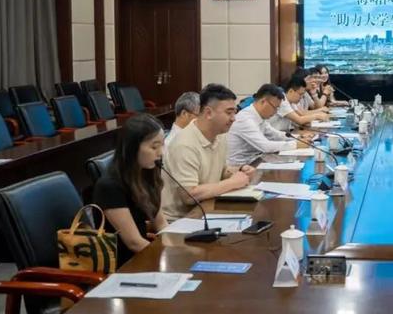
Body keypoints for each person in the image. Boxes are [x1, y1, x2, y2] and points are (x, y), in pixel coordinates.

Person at [161, 84, 254, 221]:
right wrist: (233, 183)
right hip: (182, 219)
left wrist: (238, 170)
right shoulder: (184, 144)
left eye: (234, 112)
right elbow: (189, 195)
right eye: (229, 113)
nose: (233, 118)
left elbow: (221, 171)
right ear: (208, 112)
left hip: (209, 208)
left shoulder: (220, 135)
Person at [94, 114, 168, 267]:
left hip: (145, 256)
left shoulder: (147, 174)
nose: (161, 152)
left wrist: (178, 248)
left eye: (162, 145)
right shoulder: (109, 186)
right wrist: (167, 258)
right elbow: (134, 242)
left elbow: (161, 223)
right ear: (132, 148)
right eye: (154, 147)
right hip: (123, 266)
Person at [227, 84, 307, 166]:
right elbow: (265, 146)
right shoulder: (246, 119)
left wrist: (299, 138)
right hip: (239, 167)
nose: (275, 112)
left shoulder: (259, 117)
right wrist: (296, 144)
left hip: (254, 161)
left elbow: (275, 135)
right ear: (263, 102)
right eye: (274, 107)